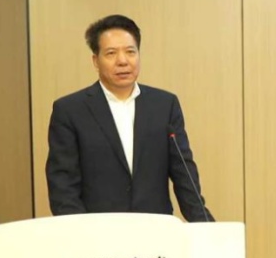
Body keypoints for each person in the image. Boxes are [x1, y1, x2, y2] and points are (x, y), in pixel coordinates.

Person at [46, 14, 215, 222]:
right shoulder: (70, 110)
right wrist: (82, 234)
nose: (122, 61)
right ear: (95, 61)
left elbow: (184, 175)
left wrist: (208, 229)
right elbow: (63, 187)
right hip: (98, 234)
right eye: (111, 53)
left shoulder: (164, 105)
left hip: (154, 231)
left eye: (130, 52)